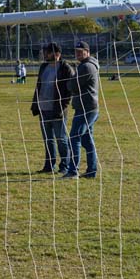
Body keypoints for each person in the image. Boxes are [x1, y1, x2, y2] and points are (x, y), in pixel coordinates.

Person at [31, 42, 75, 174]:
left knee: (61, 139)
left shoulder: (65, 68)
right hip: (43, 109)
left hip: (58, 110)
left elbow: (70, 90)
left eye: (47, 52)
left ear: (56, 54)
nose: (44, 54)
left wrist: (62, 107)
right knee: (48, 140)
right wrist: (36, 104)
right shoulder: (43, 67)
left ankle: (65, 166)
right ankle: (49, 165)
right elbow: (39, 86)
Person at [64, 41, 100, 179]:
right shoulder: (87, 65)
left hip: (86, 109)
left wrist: (70, 80)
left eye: (81, 51)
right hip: (88, 108)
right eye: (76, 51)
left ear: (87, 51)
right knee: (87, 141)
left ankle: (73, 171)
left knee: (74, 138)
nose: (78, 53)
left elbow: (72, 85)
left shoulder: (86, 67)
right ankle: (92, 170)